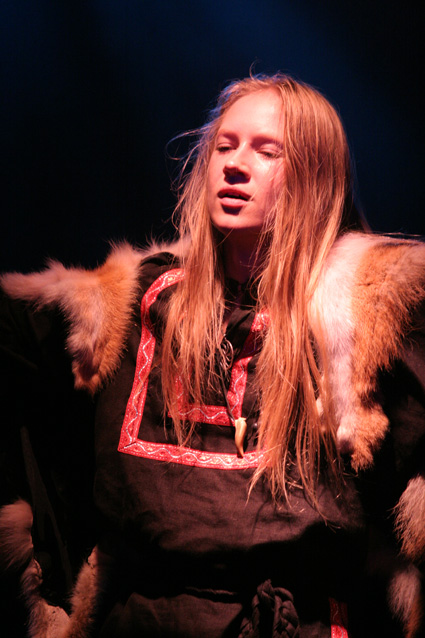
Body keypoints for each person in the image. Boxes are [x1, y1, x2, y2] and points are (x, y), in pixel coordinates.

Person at [1, 73, 424, 637]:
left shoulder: (369, 317)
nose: (235, 165)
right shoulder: (137, 303)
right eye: (224, 146)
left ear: (315, 178)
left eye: (267, 151)